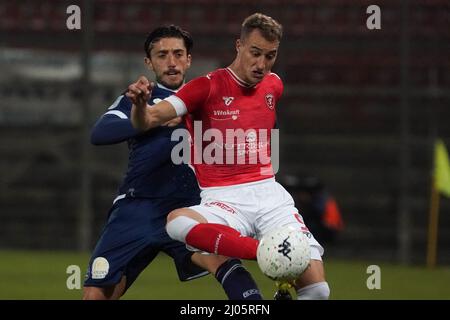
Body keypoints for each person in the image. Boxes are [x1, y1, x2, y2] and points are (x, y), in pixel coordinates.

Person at [127, 14, 330, 300]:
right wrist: (139, 105)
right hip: (223, 199)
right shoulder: (205, 87)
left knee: (319, 291)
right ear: (239, 46)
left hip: (270, 195)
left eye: (270, 56)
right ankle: (261, 251)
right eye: (255, 53)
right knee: (176, 223)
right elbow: (146, 119)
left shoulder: (274, 85)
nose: (261, 64)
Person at [83, 25, 263, 300]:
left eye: (178, 54)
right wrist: (148, 117)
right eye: (162, 55)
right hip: (139, 207)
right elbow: (100, 133)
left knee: (223, 261)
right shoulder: (141, 99)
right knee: (96, 294)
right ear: (149, 62)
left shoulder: (207, 96)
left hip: (189, 207)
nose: (171, 62)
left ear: (189, 59)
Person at [280, 175, 344, 245]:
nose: (303, 196)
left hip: (322, 232)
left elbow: (332, 225)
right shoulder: (290, 202)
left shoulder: (323, 201)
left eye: (306, 192)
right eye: (300, 192)